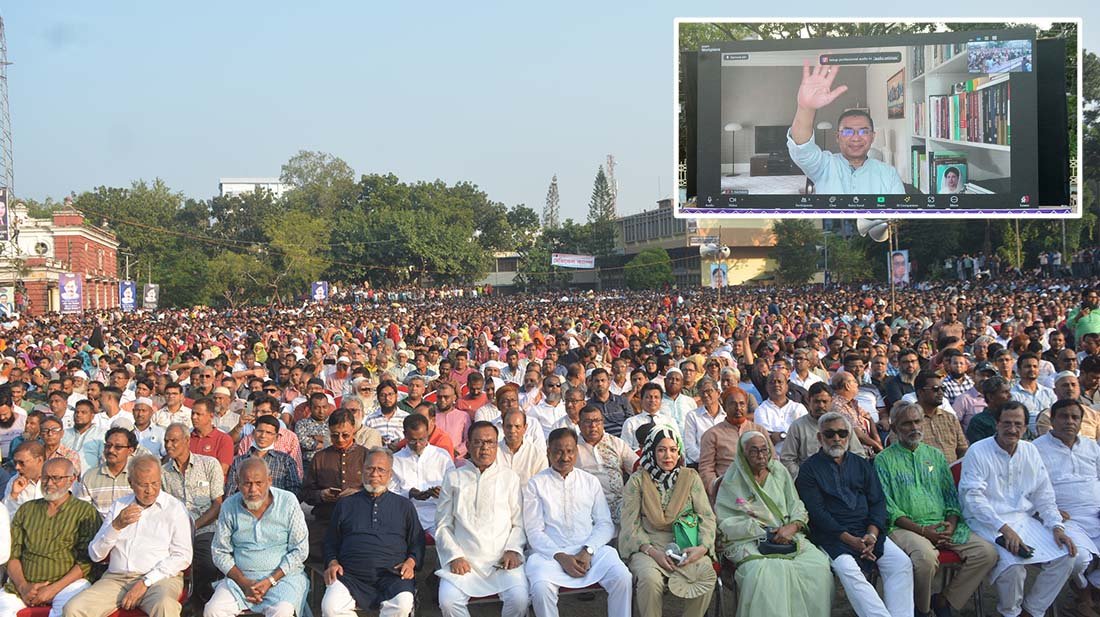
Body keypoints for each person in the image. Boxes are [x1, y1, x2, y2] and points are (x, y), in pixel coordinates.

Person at [874, 402, 997, 617]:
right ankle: (923, 610)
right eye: (906, 424)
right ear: (894, 428)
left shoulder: (936, 455)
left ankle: (945, 601)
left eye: (917, 421)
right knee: (924, 560)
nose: (914, 427)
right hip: (905, 528)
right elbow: (889, 508)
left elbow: (951, 496)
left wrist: (950, 525)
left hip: (942, 524)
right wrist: (924, 532)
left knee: (986, 553)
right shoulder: (883, 460)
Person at [959, 401, 1076, 617]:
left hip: (1023, 519)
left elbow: (1044, 495)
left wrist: (1057, 527)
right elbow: (972, 498)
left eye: (1018, 424)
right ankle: (1010, 613)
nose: (1012, 430)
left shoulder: (1030, 450)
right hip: (986, 522)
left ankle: (1032, 611)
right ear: (997, 424)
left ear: (1025, 427)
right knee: (1012, 566)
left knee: (1066, 555)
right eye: (1007, 423)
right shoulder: (978, 451)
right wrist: (1003, 528)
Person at [795, 412, 914, 617]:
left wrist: (872, 534)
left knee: (901, 563)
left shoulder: (862, 464)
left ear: (849, 437)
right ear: (819, 438)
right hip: (834, 536)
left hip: (868, 532)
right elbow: (817, 513)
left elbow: (877, 501)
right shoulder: (809, 470)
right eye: (830, 434)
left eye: (842, 433)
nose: (836, 439)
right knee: (848, 570)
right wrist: (851, 540)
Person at [715, 431, 833, 617]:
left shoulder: (779, 471)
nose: (761, 456)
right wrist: (762, 530)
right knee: (762, 574)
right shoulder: (732, 479)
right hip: (748, 538)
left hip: (787, 534)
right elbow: (725, 520)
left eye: (764, 450)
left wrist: (792, 527)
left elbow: (796, 505)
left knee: (818, 566)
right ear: (742, 453)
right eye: (754, 451)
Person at [65, 455, 192, 617]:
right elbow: (95, 555)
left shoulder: (174, 508)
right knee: (73, 609)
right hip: (116, 579)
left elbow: (182, 556)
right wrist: (116, 526)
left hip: (159, 579)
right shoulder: (119, 506)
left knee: (165, 607)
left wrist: (146, 581)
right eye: (143, 485)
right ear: (131, 483)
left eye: (155, 483)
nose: (150, 491)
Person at [523, 428, 632, 617]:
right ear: (548, 452)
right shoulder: (535, 484)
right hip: (550, 556)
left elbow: (604, 523)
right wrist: (560, 556)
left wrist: (588, 550)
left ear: (576, 451)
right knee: (541, 587)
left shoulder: (589, 481)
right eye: (558, 451)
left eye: (570, 451)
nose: (565, 457)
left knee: (622, 577)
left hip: (589, 551)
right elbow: (534, 531)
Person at [619, 426, 717, 617]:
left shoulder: (690, 477)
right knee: (649, 579)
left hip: (687, 546)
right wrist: (653, 552)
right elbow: (629, 524)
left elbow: (706, 516)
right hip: (648, 547)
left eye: (673, 450)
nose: (668, 456)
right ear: (651, 451)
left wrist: (702, 548)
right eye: (661, 450)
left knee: (705, 573)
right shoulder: (637, 480)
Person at [434, 421, 529, 617]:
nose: (485, 448)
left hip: (501, 561)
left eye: (490, 443)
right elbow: (443, 524)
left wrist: (512, 550)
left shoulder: (509, 478)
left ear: (497, 445)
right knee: (448, 601)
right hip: (464, 562)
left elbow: (518, 522)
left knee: (520, 600)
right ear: (468, 446)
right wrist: (454, 556)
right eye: (478, 442)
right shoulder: (453, 478)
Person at [321, 448, 425, 617]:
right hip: (350, 576)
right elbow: (331, 541)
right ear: (362, 471)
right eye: (370, 468)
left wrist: (411, 563)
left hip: (393, 575)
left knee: (403, 604)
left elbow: (417, 541)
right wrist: (332, 562)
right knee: (330, 607)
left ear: (390, 474)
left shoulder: (404, 505)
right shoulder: (345, 504)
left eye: (381, 469)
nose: (374, 474)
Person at [205, 458, 310, 617]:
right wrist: (244, 582)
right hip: (240, 581)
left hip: (283, 578)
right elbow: (219, 552)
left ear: (269, 481)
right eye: (247, 484)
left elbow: (300, 549)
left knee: (283, 611)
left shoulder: (288, 502)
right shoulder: (229, 506)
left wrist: (270, 581)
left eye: (258, 483)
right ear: (238, 484)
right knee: (213, 610)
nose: (253, 489)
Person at [0, 458, 99, 617]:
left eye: (56, 478)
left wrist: (53, 589)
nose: (49, 483)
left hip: (67, 585)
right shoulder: (27, 510)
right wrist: (24, 587)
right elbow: (13, 553)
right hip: (22, 586)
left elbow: (86, 561)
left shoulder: (85, 512)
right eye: (45, 477)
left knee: (69, 610)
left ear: (71, 480)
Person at [787, 63, 904, 195]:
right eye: (848, 131)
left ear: (873, 137)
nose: (855, 137)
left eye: (864, 131)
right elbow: (802, 148)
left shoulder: (889, 173)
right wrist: (806, 107)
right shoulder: (824, 165)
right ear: (837, 137)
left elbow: (898, 214)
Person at [1033, 399, 1100, 615]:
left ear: (1081, 422)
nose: (1069, 421)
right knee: (1077, 558)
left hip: (1096, 513)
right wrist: (1047, 511)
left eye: (1075, 417)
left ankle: (1089, 591)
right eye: (1063, 416)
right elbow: (1027, 488)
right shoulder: (1036, 449)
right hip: (1064, 519)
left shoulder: (1092, 446)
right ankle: (1084, 592)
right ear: (1052, 420)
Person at [160, 422, 224, 611]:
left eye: (174, 440)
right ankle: (184, 603)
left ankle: (200, 602)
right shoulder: (162, 472)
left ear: (187, 441)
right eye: (166, 441)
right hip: (173, 533)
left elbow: (217, 504)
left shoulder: (209, 464)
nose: (169, 445)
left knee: (207, 564)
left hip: (205, 527)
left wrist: (193, 526)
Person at [302, 409, 367, 562]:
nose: (340, 439)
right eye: (334, 435)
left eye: (345, 435)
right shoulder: (320, 457)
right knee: (307, 548)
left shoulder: (366, 455)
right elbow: (306, 493)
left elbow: (379, 490)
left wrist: (358, 493)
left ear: (354, 429)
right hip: (327, 519)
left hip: (359, 520)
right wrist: (321, 495)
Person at [781, 382, 864, 479]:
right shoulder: (798, 426)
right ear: (808, 400)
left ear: (832, 401)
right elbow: (787, 459)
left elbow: (858, 455)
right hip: (810, 481)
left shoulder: (843, 424)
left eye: (825, 402)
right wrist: (803, 477)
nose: (821, 405)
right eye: (817, 401)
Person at [389, 413, 454, 535]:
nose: (418, 444)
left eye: (422, 439)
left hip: (437, 515)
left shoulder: (442, 456)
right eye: (413, 440)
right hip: (406, 515)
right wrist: (410, 493)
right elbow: (390, 493)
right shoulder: (396, 460)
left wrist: (441, 492)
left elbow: (454, 487)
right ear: (405, 435)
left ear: (428, 433)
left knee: (448, 542)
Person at [575, 405, 638, 528]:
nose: (593, 426)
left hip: (619, 505)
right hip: (587, 510)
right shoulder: (572, 448)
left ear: (603, 422)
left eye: (597, 421)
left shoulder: (616, 443)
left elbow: (637, 469)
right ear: (579, 424)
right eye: (587, 422)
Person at [226, 416, 301, 496]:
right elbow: (231, 491)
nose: (263, 436)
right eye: (260, 431)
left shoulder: (286, 461)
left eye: (269, 433)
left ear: (276, 437)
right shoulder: (240, 461)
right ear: (254, 433)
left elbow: (294, 491)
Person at [76, 427, 136, 517]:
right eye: (108, 445)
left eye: (118, 447)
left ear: (130, 451)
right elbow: (82, 511)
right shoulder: (90, 477)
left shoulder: (137, 476)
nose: (111, 450)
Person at [912, 371, 969, 464]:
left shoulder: (950, 418)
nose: (941, 392)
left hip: (952, 474)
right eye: (935, 389)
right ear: (920, 392)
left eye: (943, 388)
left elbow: (963, 449)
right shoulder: (908, 419)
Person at [620, 383, 680, 450]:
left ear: (661, 400)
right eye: (648, 397)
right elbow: (625, 449)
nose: (652, 400)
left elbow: (677, 445)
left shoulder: (670, 421)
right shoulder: (630, 422)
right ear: (641, 399)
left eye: (656, 397)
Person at [497, 408, 547, 486]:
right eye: (509, 426)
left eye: (517, 426)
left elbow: (541, 486)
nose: (512, 430)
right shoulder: (494, 452)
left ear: (525, 428)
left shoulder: (537, 455)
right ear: (503, 427)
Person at [4, 441, 45, 515]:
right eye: (15, 462)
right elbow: (5, 514)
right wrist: (13, 495)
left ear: (39, 460)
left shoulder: (57, 479)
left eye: (21, 463)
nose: (17, 467)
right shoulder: (14, 481)